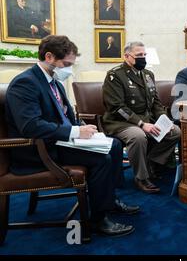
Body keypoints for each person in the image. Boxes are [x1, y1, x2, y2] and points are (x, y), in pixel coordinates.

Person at [5, 35, 138, 237]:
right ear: (49, 57)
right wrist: (75, 132)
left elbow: (65, 115)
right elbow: (30, 126)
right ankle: (99, 219)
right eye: (66, 64)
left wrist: (85, 130)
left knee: (115, 145)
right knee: (102, 159)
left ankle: (109, 200)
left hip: (60, 140)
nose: (69, 69)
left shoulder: (54, 83)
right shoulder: (25, 83)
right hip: (39, 150)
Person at [102, 41, 181, 194]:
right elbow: (117, 107)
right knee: (138, 136)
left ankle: (151, 163)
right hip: (120, 122)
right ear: (127, 56)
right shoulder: (115, 75)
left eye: (144, 55)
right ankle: (141, 177)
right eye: (139, 55)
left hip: (146, 119)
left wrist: (165, 120)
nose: (143, 58)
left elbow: (156, 103)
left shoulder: (148, 74)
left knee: (175, 131)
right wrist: (141, 124)